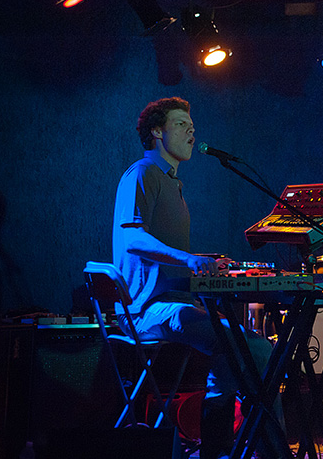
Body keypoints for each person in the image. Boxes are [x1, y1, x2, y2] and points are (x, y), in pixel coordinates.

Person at [112, 97, 273, 459]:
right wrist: (188, 257)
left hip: (171, 303)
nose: (191, 130)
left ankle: (218, 449)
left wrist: (206, 260)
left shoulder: (172, 183)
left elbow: (163, 252)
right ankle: (258, 449)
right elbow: (131, 238)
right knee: (257, 349)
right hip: (145, 310)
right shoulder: (141, 173)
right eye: (181, 124)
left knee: (243, 346)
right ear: (157, 131)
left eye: (192, 125)